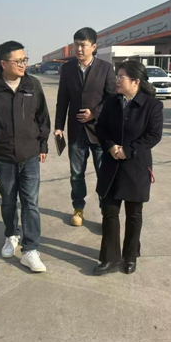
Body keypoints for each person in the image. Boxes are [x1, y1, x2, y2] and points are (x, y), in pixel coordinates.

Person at [0, 41, 51, 272]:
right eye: (18, 61)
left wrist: (43, 145)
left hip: (30, 155)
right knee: (8, 199)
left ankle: (30, 249)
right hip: (4, 156)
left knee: (31, 202)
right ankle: (11, 234)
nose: (23, 64)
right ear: (4, 63)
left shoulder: (32, 84)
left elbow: (43, 118)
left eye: (25, 60)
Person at [93, 61, 163, 275]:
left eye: (121, 77)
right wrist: (110, 146)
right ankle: (110, 258)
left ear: (135, 82)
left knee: (133, 213)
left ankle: (130, 256)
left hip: (136, 167)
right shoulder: (111, 101)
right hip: (111, 165)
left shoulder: (152, 105)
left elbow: (153, 135)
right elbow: (100, 128)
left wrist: (129, 150)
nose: (117, 80)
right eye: (117, 76)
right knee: (109, 212)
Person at [54, 27, 116, 227]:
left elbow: (112, 98)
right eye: (76, 45)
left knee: (103, 174)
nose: (79, 49)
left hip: (100, 132)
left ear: (94, 47)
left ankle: (106, 212)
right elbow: (62, 99)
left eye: (83, 45)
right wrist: (58, 126)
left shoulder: (106, 68)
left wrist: (94, 113)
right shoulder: (68, 69)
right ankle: (78, 208)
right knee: (76, 175)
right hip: (76, 132)